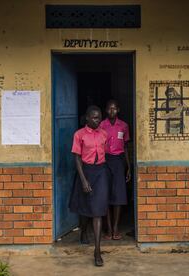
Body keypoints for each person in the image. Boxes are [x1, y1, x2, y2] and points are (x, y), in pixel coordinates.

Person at [69, 105, 109, 267]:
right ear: (87, 118)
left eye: (99, 117)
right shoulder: (79, 135)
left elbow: (104, 152)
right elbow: (77, 158)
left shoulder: (104, 133)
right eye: (94, 117)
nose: (97, 120)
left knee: (98, 210)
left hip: (100, 172)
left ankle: (97, 251)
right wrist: (84, 180)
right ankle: (84, 231)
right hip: (85, 171)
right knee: (86, 207)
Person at [100, 100, 131, 241]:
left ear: (118, 110)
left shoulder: (123, 126)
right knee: (106, 195)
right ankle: (109, 228)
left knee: (118, 196)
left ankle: (116, 227)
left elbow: (125, 148)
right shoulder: (101, 125)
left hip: (118, 161)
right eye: (109, 108)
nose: (112, 111)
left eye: (114, 109)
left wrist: (128, 167)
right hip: (105, 161)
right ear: (106, 110)